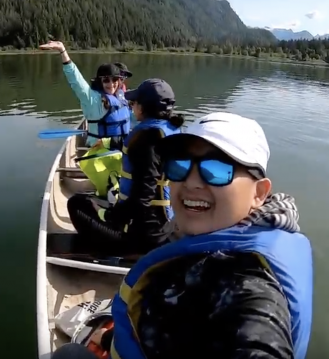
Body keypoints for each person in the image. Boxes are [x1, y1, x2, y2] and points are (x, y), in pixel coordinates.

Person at [53, 112, 314, 359]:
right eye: (179, 166)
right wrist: (111, 340)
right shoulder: (222, 236)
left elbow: (256, 335)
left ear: (259, 193)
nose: (191, 182)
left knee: (68, 354)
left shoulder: (248, 284)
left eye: (217, 170)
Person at [66, 79, 185, 255]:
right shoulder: (169, 130)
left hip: (141, 236)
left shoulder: (147, 141)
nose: (131, 106)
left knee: (77, 204)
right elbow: (133, 144)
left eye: (134, 102)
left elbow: (144, 195)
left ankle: (104, 250)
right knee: (101, 200)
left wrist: (107, 215)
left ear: (143, 108)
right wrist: (108, 141)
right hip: (164, 226)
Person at [39, 40, 130, 149]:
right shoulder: (92, 99)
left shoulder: (121, 97)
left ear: (119, 81)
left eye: (115, 79)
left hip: (121, 151)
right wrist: (62, 50)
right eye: (106, 80)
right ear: (99, 81)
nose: (111, 84)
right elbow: (75, 80)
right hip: (100, 156)